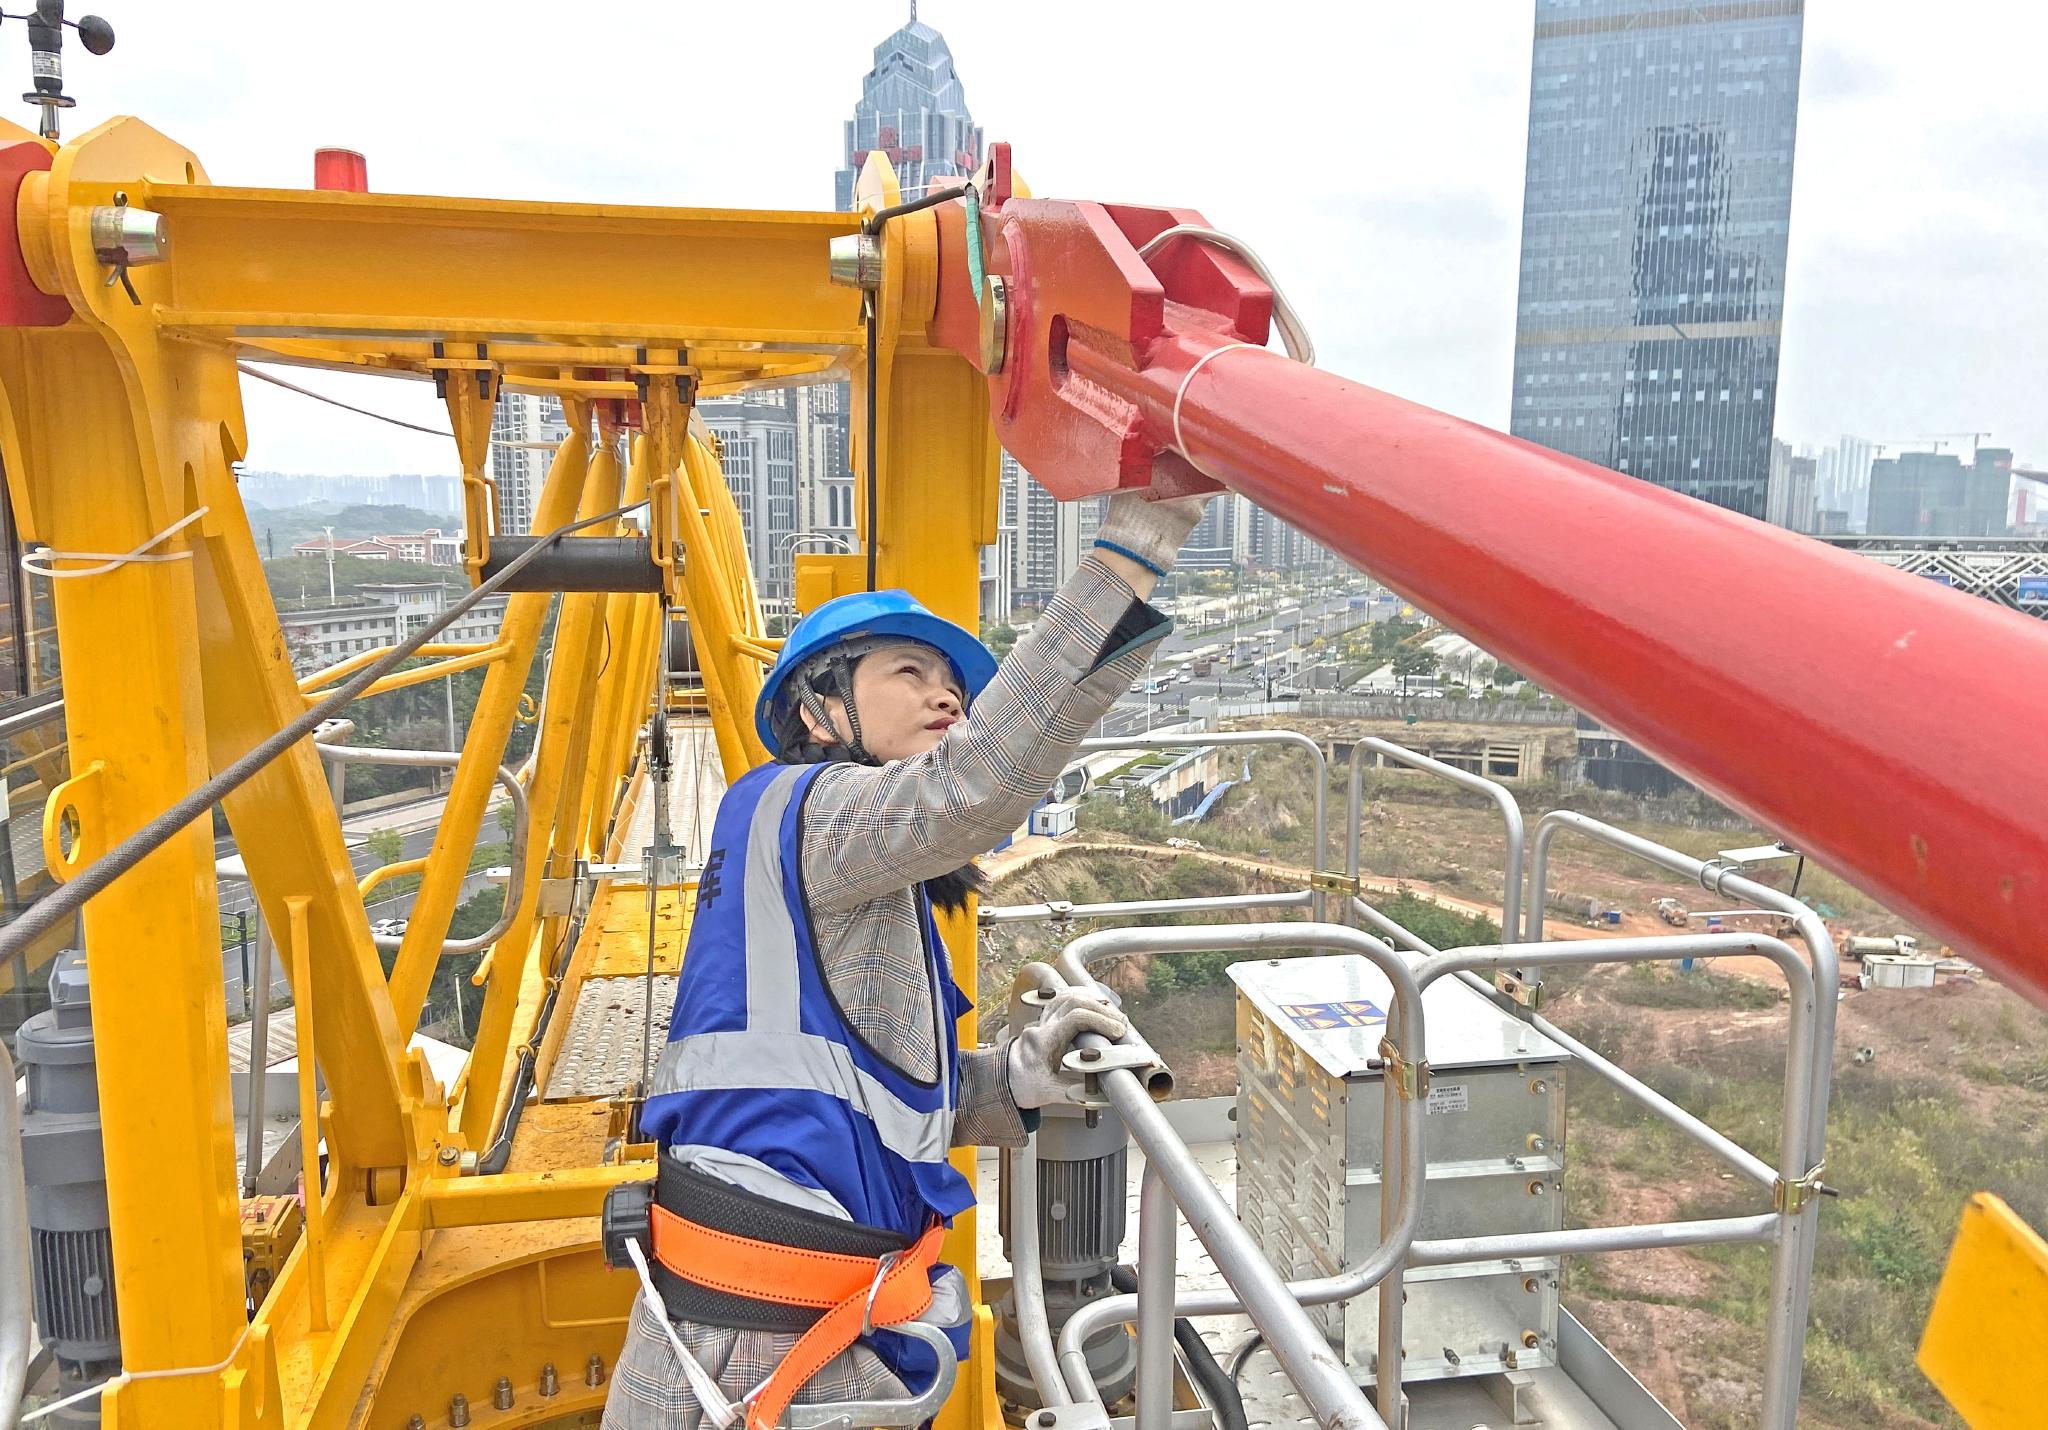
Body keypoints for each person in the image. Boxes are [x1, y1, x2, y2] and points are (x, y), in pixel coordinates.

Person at [603, 489, 1209, 1430]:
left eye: (954, 683)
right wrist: (1132, 552)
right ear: (819, 707)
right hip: (760, 1345)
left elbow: (854, 1098)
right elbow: (974, 789)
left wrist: (1015, 1081)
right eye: (909, 670)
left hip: (798, 1320)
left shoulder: (851, 870)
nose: (947, 695)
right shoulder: (808, 809)